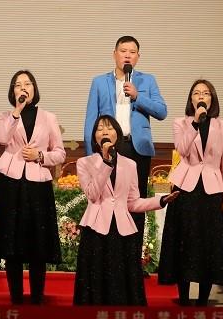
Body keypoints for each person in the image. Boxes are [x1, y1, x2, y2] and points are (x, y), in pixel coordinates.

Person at [73, 114, 179, 306]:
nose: (104, 131)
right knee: (96, 282)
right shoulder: (85, 163)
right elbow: (92, 194)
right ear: (95, 137)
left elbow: (133, 203)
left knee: (122, 284)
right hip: (96, 230)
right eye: (99, 128)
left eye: (109, 127)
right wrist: (105, 164)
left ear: (118, 134)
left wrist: (161, 201)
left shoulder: (130, 164)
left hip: (122, 231)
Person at [0, 70, 66, 305]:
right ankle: (16, 298)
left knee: (37, 243)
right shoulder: (6, 116)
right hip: (11, 183)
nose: (23, 88)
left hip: (38, 185)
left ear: (34, 88)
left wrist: (40, 155)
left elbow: (59, 153)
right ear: (13, 92)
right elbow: (1, 139)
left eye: (27, 83)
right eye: (18, 85)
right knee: (12, 243)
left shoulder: (48, 117)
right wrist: (16, 112)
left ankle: (38, 297)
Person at [158, 79, 223, 306]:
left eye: (205, 93)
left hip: (213, 189)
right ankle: (183, 298)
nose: (201, 96)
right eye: (196, 93)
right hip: (186, 187)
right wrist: (195, 123)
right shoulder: (180, 123)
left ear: (212, 99)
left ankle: (203, 301)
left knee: (208, 244)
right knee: (184, 242)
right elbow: (182, 150)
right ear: (191, 99)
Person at [84, 35, 167, 252]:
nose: (127, 55)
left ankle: (133, 257)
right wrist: (91, 156)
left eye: (132, 52)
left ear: (138, 57)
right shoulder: (99, 82)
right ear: (114, 54)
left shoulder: (147, 81)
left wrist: (138, 96)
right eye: (123, 51)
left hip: (137, 148)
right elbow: (91, 120)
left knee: (135, 202)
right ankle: (109, 252)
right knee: (108, 201)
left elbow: (162, 111)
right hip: (109, 148)